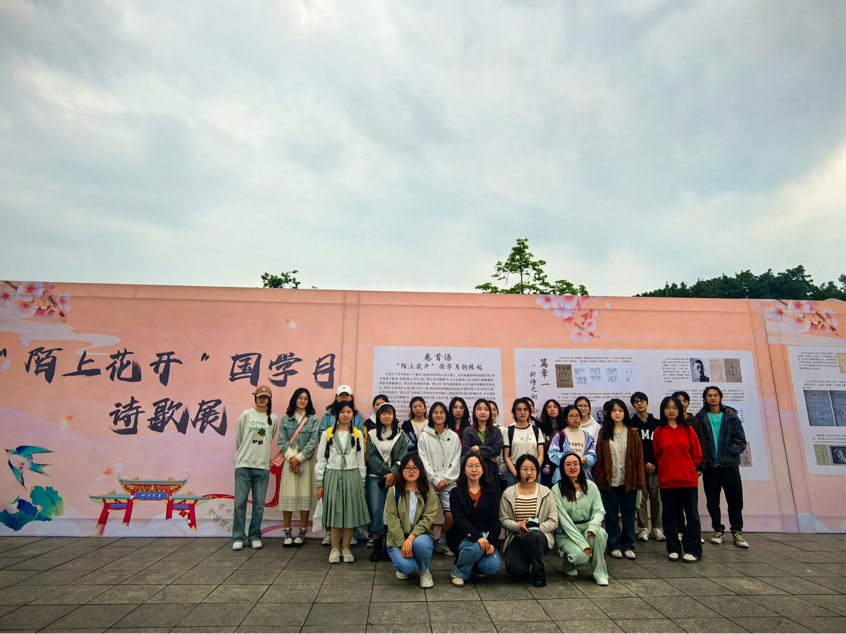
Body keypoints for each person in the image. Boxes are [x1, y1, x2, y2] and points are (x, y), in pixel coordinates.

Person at [315, 401, 370, 563]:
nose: (346, 415)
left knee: (349, 513)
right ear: (336, 414)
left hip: (352, 476)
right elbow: (321, 459)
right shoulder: (327, 434)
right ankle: (335, 548)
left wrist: (362, 481)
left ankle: (346, 548)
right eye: (342, 412)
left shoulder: (357, 434)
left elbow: (360, 460)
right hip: (332, 475)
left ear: (353, 415)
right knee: (335, 513)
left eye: (349, 412)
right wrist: (320, 483)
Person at [695, 386, 749, 548]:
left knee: (735, 501)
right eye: (709, 395)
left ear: (720, 397)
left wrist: (729, 452)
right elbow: (698, 442)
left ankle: (737, 531)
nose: (712, 398)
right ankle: (717, 529)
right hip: (711, 467)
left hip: (730, 466)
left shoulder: (731, 416)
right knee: (712, 501)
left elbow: (740, 440)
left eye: (715, 395)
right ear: (705, 398)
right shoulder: (700, 418)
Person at [592, 398, 645, 560]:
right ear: (608, 413)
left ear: (625, 413)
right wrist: (599, 479)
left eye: (620, 410)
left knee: (629, 514)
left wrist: (639, 480)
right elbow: (599, 458)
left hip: (629, 480)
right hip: (610, 481)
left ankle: (628, 545)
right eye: (614, 411)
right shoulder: (603, 432)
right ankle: (614, 544)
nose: (617, 413)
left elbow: (639, 459)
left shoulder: (633, 432)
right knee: (611, 515)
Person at [654, 396, 703, 562]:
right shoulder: (659, 431)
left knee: (692, 516)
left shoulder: (688, 430)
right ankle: (673, 548)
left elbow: (697, 454)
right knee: (669, 516)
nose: (671, 410)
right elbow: (657, 454)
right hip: (667, 481)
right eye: (667, 407)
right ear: (663, 410)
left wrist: (688, 467)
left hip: (688, 480)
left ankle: (693, 549)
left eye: (675, 407)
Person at [499, 455, 557, 587]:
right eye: (525, 469)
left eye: (533, 469)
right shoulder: (508, 493)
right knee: (515, 569)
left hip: (540, 537)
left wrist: (534, 529)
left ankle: (539, 571)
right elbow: (503, 519)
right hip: (517, 536)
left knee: (530, 537)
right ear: (518, 471)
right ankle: (526, 562)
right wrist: (518, 526)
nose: (529, 473)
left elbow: (553, 521)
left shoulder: (546, 492)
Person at [232, 385, 279, 551]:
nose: (262, 399)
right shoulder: (246, 414)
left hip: (262, 466)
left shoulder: (273, 418)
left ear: (269, 399)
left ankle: (254, 536)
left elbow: (269, 439)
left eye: (265, 397)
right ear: (255, 397)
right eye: (260, 396)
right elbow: (239, 439)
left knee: (259, 504)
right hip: (244, 465)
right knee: (240, 503)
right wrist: (243, 455)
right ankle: (238, 536)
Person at [446, 452, 502, 586]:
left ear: (483, 470)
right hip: (461, 535)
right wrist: (477, 537)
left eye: (477, 466)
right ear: (464, 470)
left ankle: (473, 565)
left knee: (492, 566)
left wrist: (492, 542)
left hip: (485, 536)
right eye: (470, 466)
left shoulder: (492, 492)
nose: (474, 469)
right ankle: (459, 572)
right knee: (475, 547)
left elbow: (495, 520)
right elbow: (459, 520)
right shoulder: (456, 493)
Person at [553, 451, 609, 586]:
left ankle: (600, 572)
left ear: (580, 466)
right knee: (581, 556)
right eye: (568, 464)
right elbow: (564, 521)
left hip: (587, 527)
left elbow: (599, 510)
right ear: (562, 468)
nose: (572, 467)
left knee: (599, 533)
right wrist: (583, 543)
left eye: (575, 464)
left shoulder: (591, 486)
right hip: (566, 533)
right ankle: (569, 563)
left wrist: (593, 526)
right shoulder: (556, 489)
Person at [385, 454, 438, 588]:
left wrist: (411, 538)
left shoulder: (429, 492)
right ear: (401, 470)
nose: (411, 471)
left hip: (420, 536)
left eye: (415, 468)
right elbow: (392, 519)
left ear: (420, 470)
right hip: (398, 538)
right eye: (407, 468)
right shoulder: (394, 491)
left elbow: (427, 519)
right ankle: (406, 564)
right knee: (406, 567)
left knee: (422, 543)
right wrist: (403, 543)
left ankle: (424, 571)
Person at [277, 387, 320, 547]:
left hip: (306, 461)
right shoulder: (285, 419)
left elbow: (313, 442)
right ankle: (287, 532)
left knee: (304, 496)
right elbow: (281, 440)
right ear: (294, 399)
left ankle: (302, 531)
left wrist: (299, 458)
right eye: (300, 397)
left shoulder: (313, 420)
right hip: (290, 459)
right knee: (288, 496)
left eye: (305, 398)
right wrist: (291, 458)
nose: (303, 401)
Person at [366, 402, 409, 562]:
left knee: (392, 512)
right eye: (383, 413)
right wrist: (387, 472)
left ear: (394, 416)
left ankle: (388, 545)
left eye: (389, 413)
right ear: (378, 416)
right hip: (375, 478)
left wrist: (393, 473)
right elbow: (371, 456)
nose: (386, 416)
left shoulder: (400, 434)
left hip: (396, 479)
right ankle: (377, 547)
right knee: (376, 511)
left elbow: (403, 455)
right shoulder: (371, 434)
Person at [418, 401, 462, 558]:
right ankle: (428, 543)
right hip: (429, 483)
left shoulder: (453, 436)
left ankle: (441, 541)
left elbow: (456, 461)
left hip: (449, 484)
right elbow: (423, 461)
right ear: (431, 415)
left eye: (441, 412)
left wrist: (445, 480)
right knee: (427, 516)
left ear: (446, 415)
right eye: (435, 412)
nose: (438, 415)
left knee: (452, 517)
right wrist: (435, 480)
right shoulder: (424, 436)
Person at [630, 392, 664, 543]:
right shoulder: (631, 425)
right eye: (636, 401)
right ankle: (643, 528)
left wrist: (654, 464)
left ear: (647, 403)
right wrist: (643, 464)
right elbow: (631, 449)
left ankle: (657, 528)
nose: (639, 403)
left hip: (656, 468)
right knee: (641, 500)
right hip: (639, 468)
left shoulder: (657, 424)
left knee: (657, 499)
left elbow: (662, 447)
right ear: (633, 405)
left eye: (642, 401)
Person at [462, 399, 504, 498]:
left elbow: (497, 449)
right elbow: (467, 451)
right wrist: (488, 455)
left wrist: (478, 449)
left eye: (486, 409)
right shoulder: (467, 431)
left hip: (491, 470)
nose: (483, 412)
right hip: (474, 469)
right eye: (479, 409)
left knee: (492, 499)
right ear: (475, 412)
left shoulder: (496, 431)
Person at [549, 405, 597, 484]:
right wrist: (569, 460)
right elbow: (552, 454)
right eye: (571, 416)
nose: (575, 418)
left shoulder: (588, 437)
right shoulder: (560, 435)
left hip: (582, 474)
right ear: (566, 418)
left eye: (577, 415)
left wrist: (585, 459)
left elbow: (593, 455)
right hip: (563, 475)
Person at [503, 398, 544, 488]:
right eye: (519, 409)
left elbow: (541, 455)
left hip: (533, 469)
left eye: (525, 409)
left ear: (529, 412)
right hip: (514, 469)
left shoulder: (536, 430)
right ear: (514, 412)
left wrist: (535, 470)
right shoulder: (509, 430)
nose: (522, 412)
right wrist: (516, 473)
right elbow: (506, 456)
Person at [538, 400, 561, 487]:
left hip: (559, 460)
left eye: (555, 407)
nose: (552, 409)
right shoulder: (540, 427)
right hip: (544, 461)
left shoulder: (564, 427)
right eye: (549, 407)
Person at [489, 400, 509, 490]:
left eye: (494, 410)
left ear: (497, 412)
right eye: (489, 409)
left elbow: (506, 451)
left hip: (501, 471)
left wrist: (501, 470)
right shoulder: (478, 430)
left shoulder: (503, 430)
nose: (492, 412)